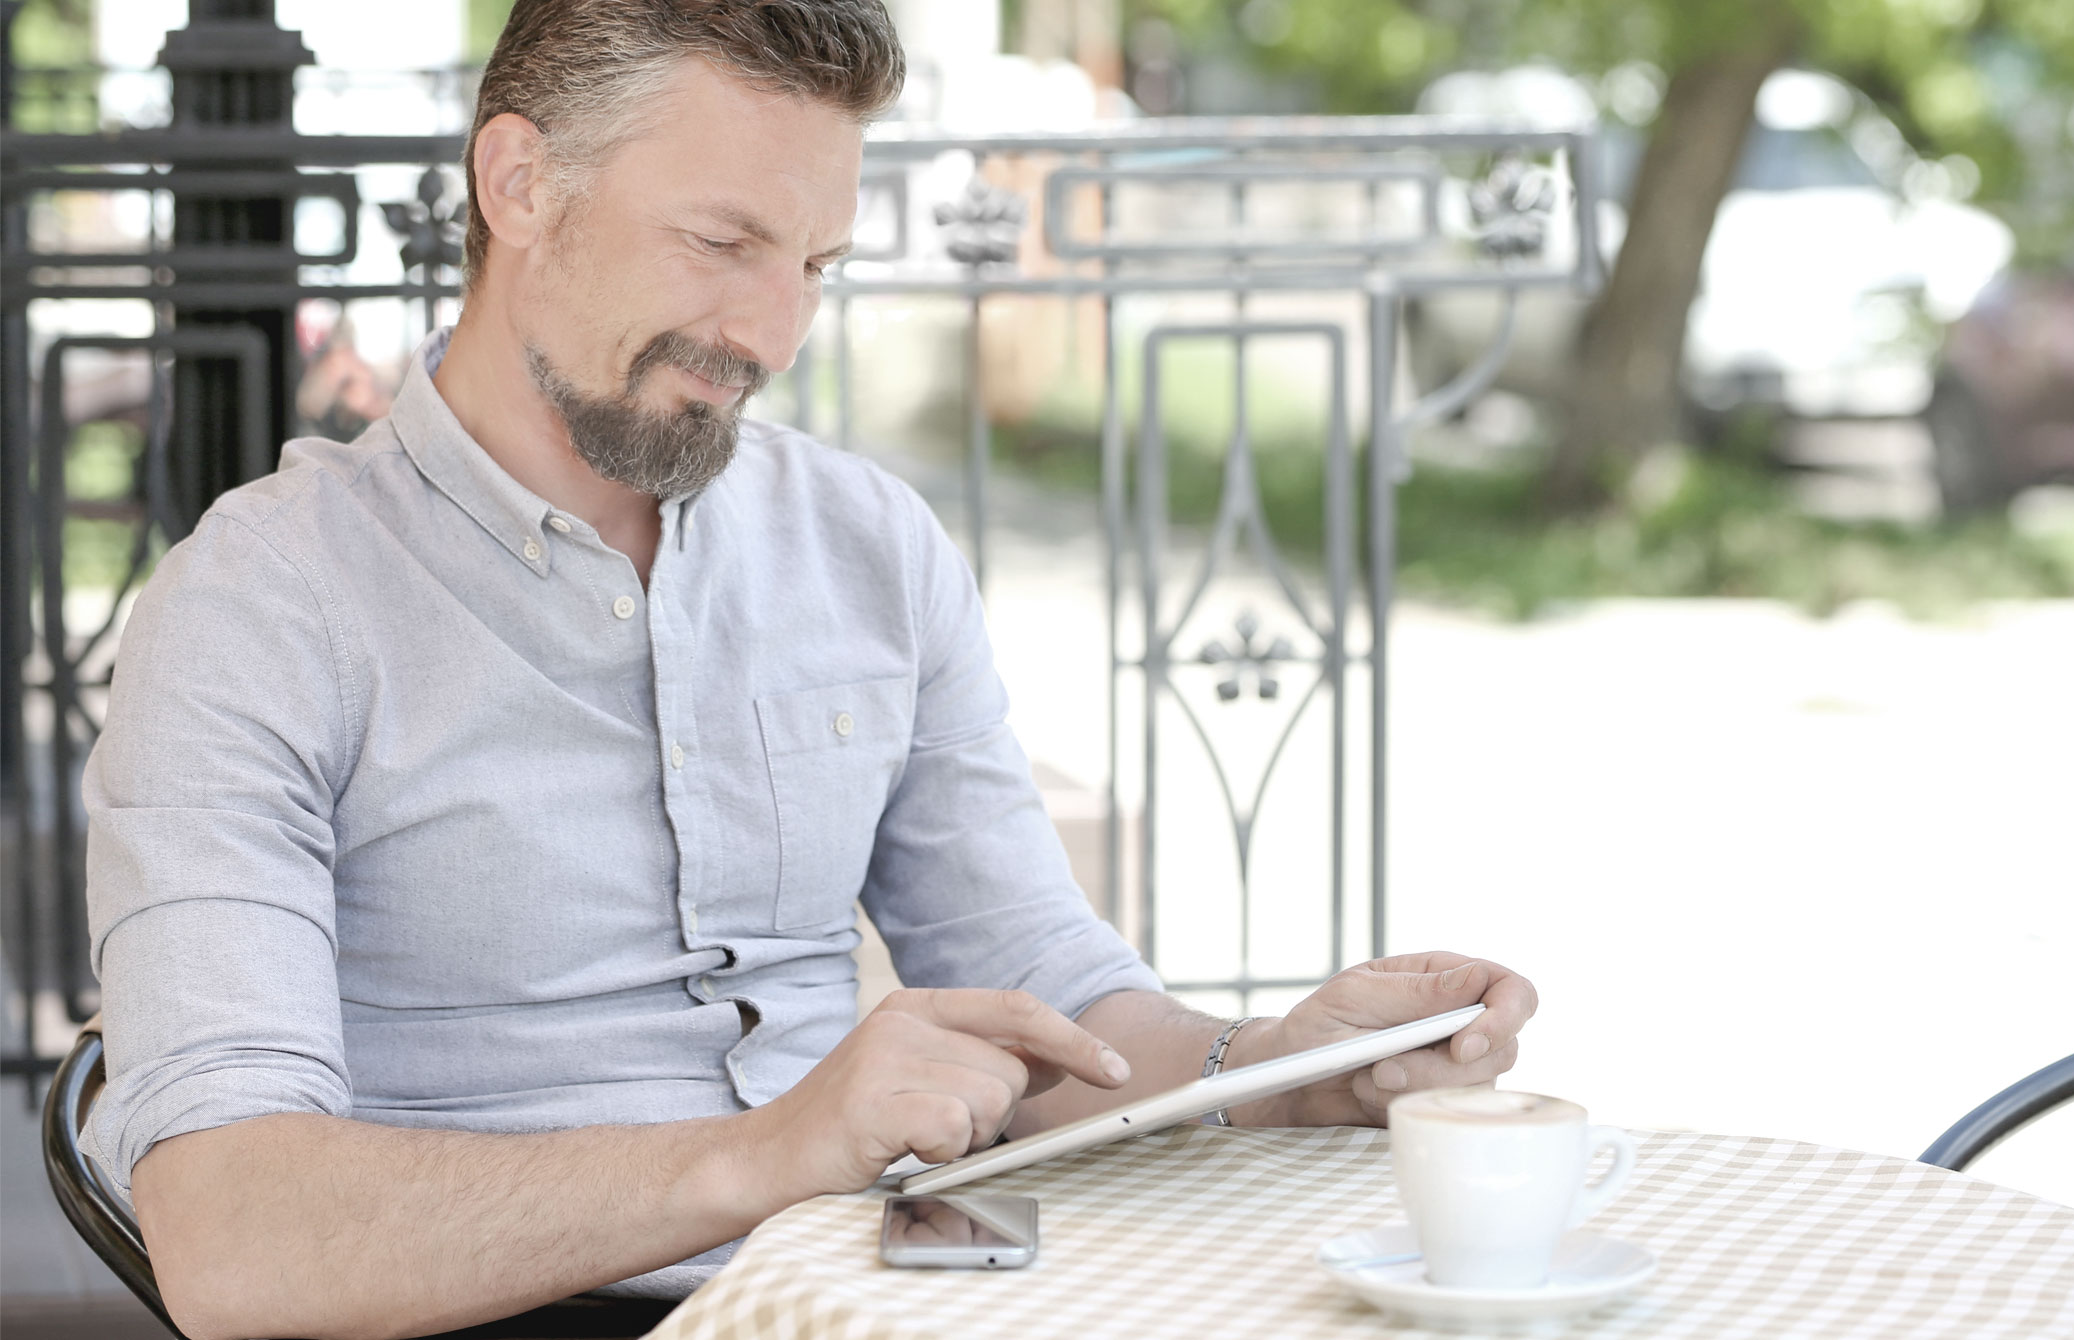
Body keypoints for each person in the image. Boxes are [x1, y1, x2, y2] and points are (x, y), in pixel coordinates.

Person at [81, 4, 1537, 1338]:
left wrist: (1278, 1070)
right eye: (721, 244)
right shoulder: (258, 605)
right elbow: (234, 1238)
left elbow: (1048, 996)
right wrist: (766, 1157)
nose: (771, 332)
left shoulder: (865, 543)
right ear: (517, 184)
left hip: (875, 1299)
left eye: (816, 264)